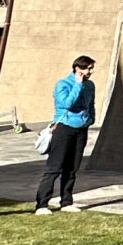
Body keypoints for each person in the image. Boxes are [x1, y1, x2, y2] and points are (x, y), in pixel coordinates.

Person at [33, 55, 95, 214]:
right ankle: (42, 204)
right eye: (87, 68)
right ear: (77, 69)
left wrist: (90, 119)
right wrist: (77, 84)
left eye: (91, 68)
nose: (90, 72)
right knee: (54, 167)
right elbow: (67, 103)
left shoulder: (90, 86)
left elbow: (91, 104)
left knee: (72, 167)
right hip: (63, 127)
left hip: (81, 129)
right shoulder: (63, 84)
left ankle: (66, 201)